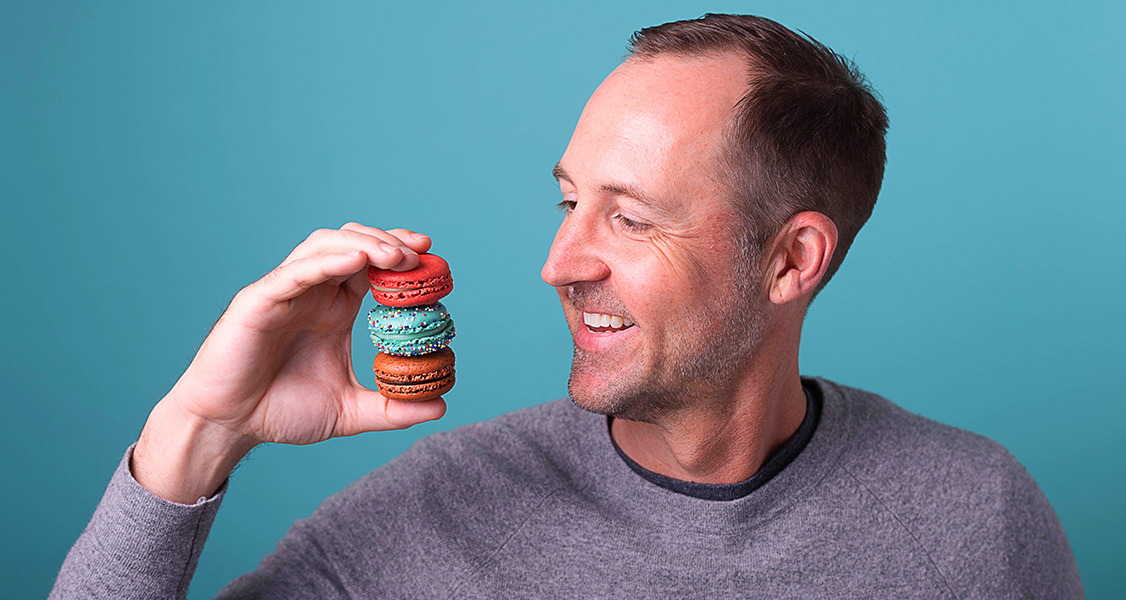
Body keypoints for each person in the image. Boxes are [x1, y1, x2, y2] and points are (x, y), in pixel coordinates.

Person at [51, 14, 1082, 599]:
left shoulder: (974, 519)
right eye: (567, 200)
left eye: (628, 219)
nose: (558, 261)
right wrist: (197, 434)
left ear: (790, 261)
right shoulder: (435, 516)